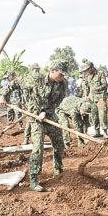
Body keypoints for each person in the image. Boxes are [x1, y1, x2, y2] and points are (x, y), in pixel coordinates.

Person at [27, 59, 69, 192]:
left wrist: (46, 112)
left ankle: (58, 169)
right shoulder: (36, 79)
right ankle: (34, 179)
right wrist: (4, 95)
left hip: (49, 116)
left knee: (59, 143)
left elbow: (57, 102)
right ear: (53, 71)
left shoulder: (62, 84)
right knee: (38, 147)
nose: (62, 77)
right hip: (35, 117)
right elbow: (15, 83)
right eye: (61, 74)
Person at [80, 61, 108, 138]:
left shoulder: (100, 73)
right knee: (94, 115)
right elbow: (85, 86)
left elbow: (105, 85)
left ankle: (105, 131)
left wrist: (97, 88)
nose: (87, 71)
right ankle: (97, 131)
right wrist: (86, 95)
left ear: (92, 67)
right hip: (91, 98)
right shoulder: (87, 75)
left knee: (102, 114)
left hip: (100, 98)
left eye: (88, 69)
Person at [22, 63, 42, 145]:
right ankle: (26, 138)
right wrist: (25, 104)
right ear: (32, 71)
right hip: (30, 105)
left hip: (40, 105)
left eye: (38, 71)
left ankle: (37, 139)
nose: (37, 73)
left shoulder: (40, 80)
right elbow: (25, 94)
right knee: (30, 122)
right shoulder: (28, 80)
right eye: (35, 71)